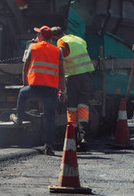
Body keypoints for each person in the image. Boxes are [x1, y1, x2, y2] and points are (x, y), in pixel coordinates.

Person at [12, 26, 66, 155]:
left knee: (22, 94)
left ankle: (19, 118)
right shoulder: (57, 51)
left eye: (38, 34)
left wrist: (25, 84)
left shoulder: (33, 47)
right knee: (50, 118)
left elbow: (25, 68)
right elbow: (62, 73)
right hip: (51, 89)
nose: (36, 36)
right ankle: (48, 146)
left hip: (35, 86)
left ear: (41, 36)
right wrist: (62, 91)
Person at [58, 31, 96, 150]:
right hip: (85, 76)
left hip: (72, 77)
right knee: (83, 106)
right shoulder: (79, 39)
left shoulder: (61, 42)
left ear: (55, 37)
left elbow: (61, 59)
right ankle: (84, 137)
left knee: (72, 108)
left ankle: (72, 138)